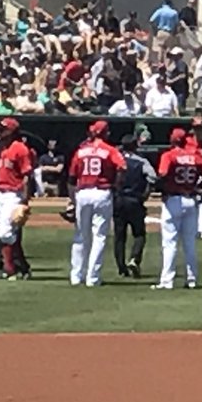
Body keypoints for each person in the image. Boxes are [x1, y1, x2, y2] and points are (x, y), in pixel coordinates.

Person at [151, 128, 202, 291]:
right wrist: (198, 187)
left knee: (170, 242)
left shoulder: (168, 155)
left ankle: (167, 281)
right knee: (189, 243)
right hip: (190, 199)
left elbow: (162, 175)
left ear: (172, 140)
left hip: (174, 199)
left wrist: (161, 188)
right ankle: (192, 280)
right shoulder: (194, 156)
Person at [67, 120, 126, 287]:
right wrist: (116, 185)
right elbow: (122, 167)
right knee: (99, 236)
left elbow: (71, 178)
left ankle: (76, 276)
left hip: (83, 192)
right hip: (101, 191)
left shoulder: (81, 151)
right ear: (106, 133)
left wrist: (72, 200)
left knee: (80, 235)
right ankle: (93, 278)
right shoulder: (110, 150)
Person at [0, 118, 33, 280]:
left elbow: (26, 176)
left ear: (11, 131)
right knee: (7, 233)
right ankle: (18, 267)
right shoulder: (4, 148)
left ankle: (12, 267)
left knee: (5, 233)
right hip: (2, 194)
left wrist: (25, 199)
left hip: (14, 195)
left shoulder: (21, 149)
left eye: (2, 129)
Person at [113, 133, 156, 278]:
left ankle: (121, 267)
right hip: (135, 200)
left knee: (119, 236)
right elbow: (153, 177)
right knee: (139, 233)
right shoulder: (142, 162)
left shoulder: (116, 160)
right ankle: (134, 259)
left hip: (118, 200)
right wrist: (146, 194)